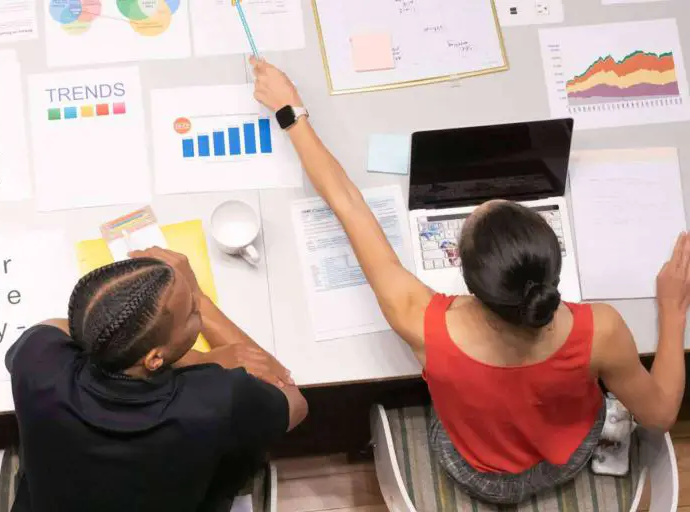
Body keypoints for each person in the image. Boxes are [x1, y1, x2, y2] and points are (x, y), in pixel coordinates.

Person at [250, 57, 689, 504]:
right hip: (567, 456)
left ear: (468, 276)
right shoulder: (602, 329)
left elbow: (348, 205)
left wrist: (292, 114)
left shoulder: (423, 322)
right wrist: (672, 315)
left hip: (476, 470)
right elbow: (659, 414)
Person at [7, 247, 307, 512]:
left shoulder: (37, 362)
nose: (197, 313)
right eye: (192, 314)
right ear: (153, 359)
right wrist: (201, 316)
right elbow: (294, 402)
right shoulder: (215, 399)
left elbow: (59, 327)